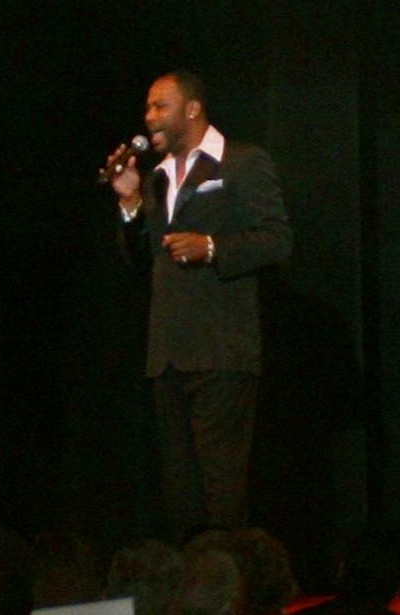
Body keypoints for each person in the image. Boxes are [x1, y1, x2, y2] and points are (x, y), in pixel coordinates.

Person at [103, 71, 294, 536]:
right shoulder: (157, 178)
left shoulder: (241, 162)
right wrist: (129, 203)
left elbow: (277, 240)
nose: (149, 118)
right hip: (168, 352)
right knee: (181, 492)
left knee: (222, 486)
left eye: (160, 107)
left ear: (192, 109)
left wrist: (211, 247)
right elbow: (140, 260)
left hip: (220, 349)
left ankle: (231, 592)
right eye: (147, 108)